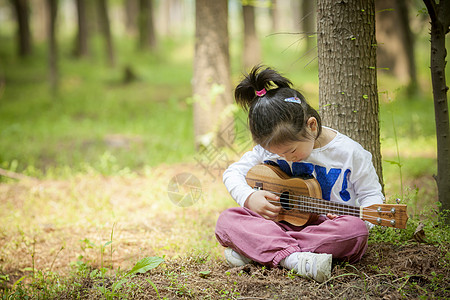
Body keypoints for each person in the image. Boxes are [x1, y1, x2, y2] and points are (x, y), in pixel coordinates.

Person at [215, 65, 384, 283]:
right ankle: (294, 259)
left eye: (290, 151)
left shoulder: (350, 153)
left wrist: (358, 217)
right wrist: (250, 197)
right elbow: (232, 173)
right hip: (279, 223)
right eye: (277, 154)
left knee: (356, 231)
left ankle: (261, 250)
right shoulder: (270, 148)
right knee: (227, 219)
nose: (285, 158)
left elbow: (372, 196)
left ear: (311, 126)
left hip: (325, 229)